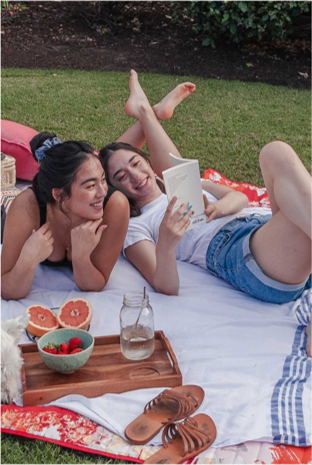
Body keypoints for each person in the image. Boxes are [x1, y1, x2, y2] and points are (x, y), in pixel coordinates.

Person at [100, 70, 312, 305]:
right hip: (243, 256)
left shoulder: (185, 186)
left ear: (149, 164)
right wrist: (167, 245)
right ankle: (147, 112)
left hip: (261, 229)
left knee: (274, 152)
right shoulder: (135, 226)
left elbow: (239, 197)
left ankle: (148, 113)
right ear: (115, 190)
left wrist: (219, 208)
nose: (135, 176)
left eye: (136, 163)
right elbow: (165, 285)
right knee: (282, 163)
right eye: (121, 176)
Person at [1, 78, 196, 301]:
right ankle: (147, 112)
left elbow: (95, 283)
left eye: (103, 181)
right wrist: (26, 260)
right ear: (59, 195)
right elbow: (8, 289)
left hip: (79, 184)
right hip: (28, 210)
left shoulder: (115, 203)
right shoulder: (28, 206)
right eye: (91, 186)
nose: (102, 191)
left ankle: (147, 112)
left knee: (109, 161)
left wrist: (82, 257)